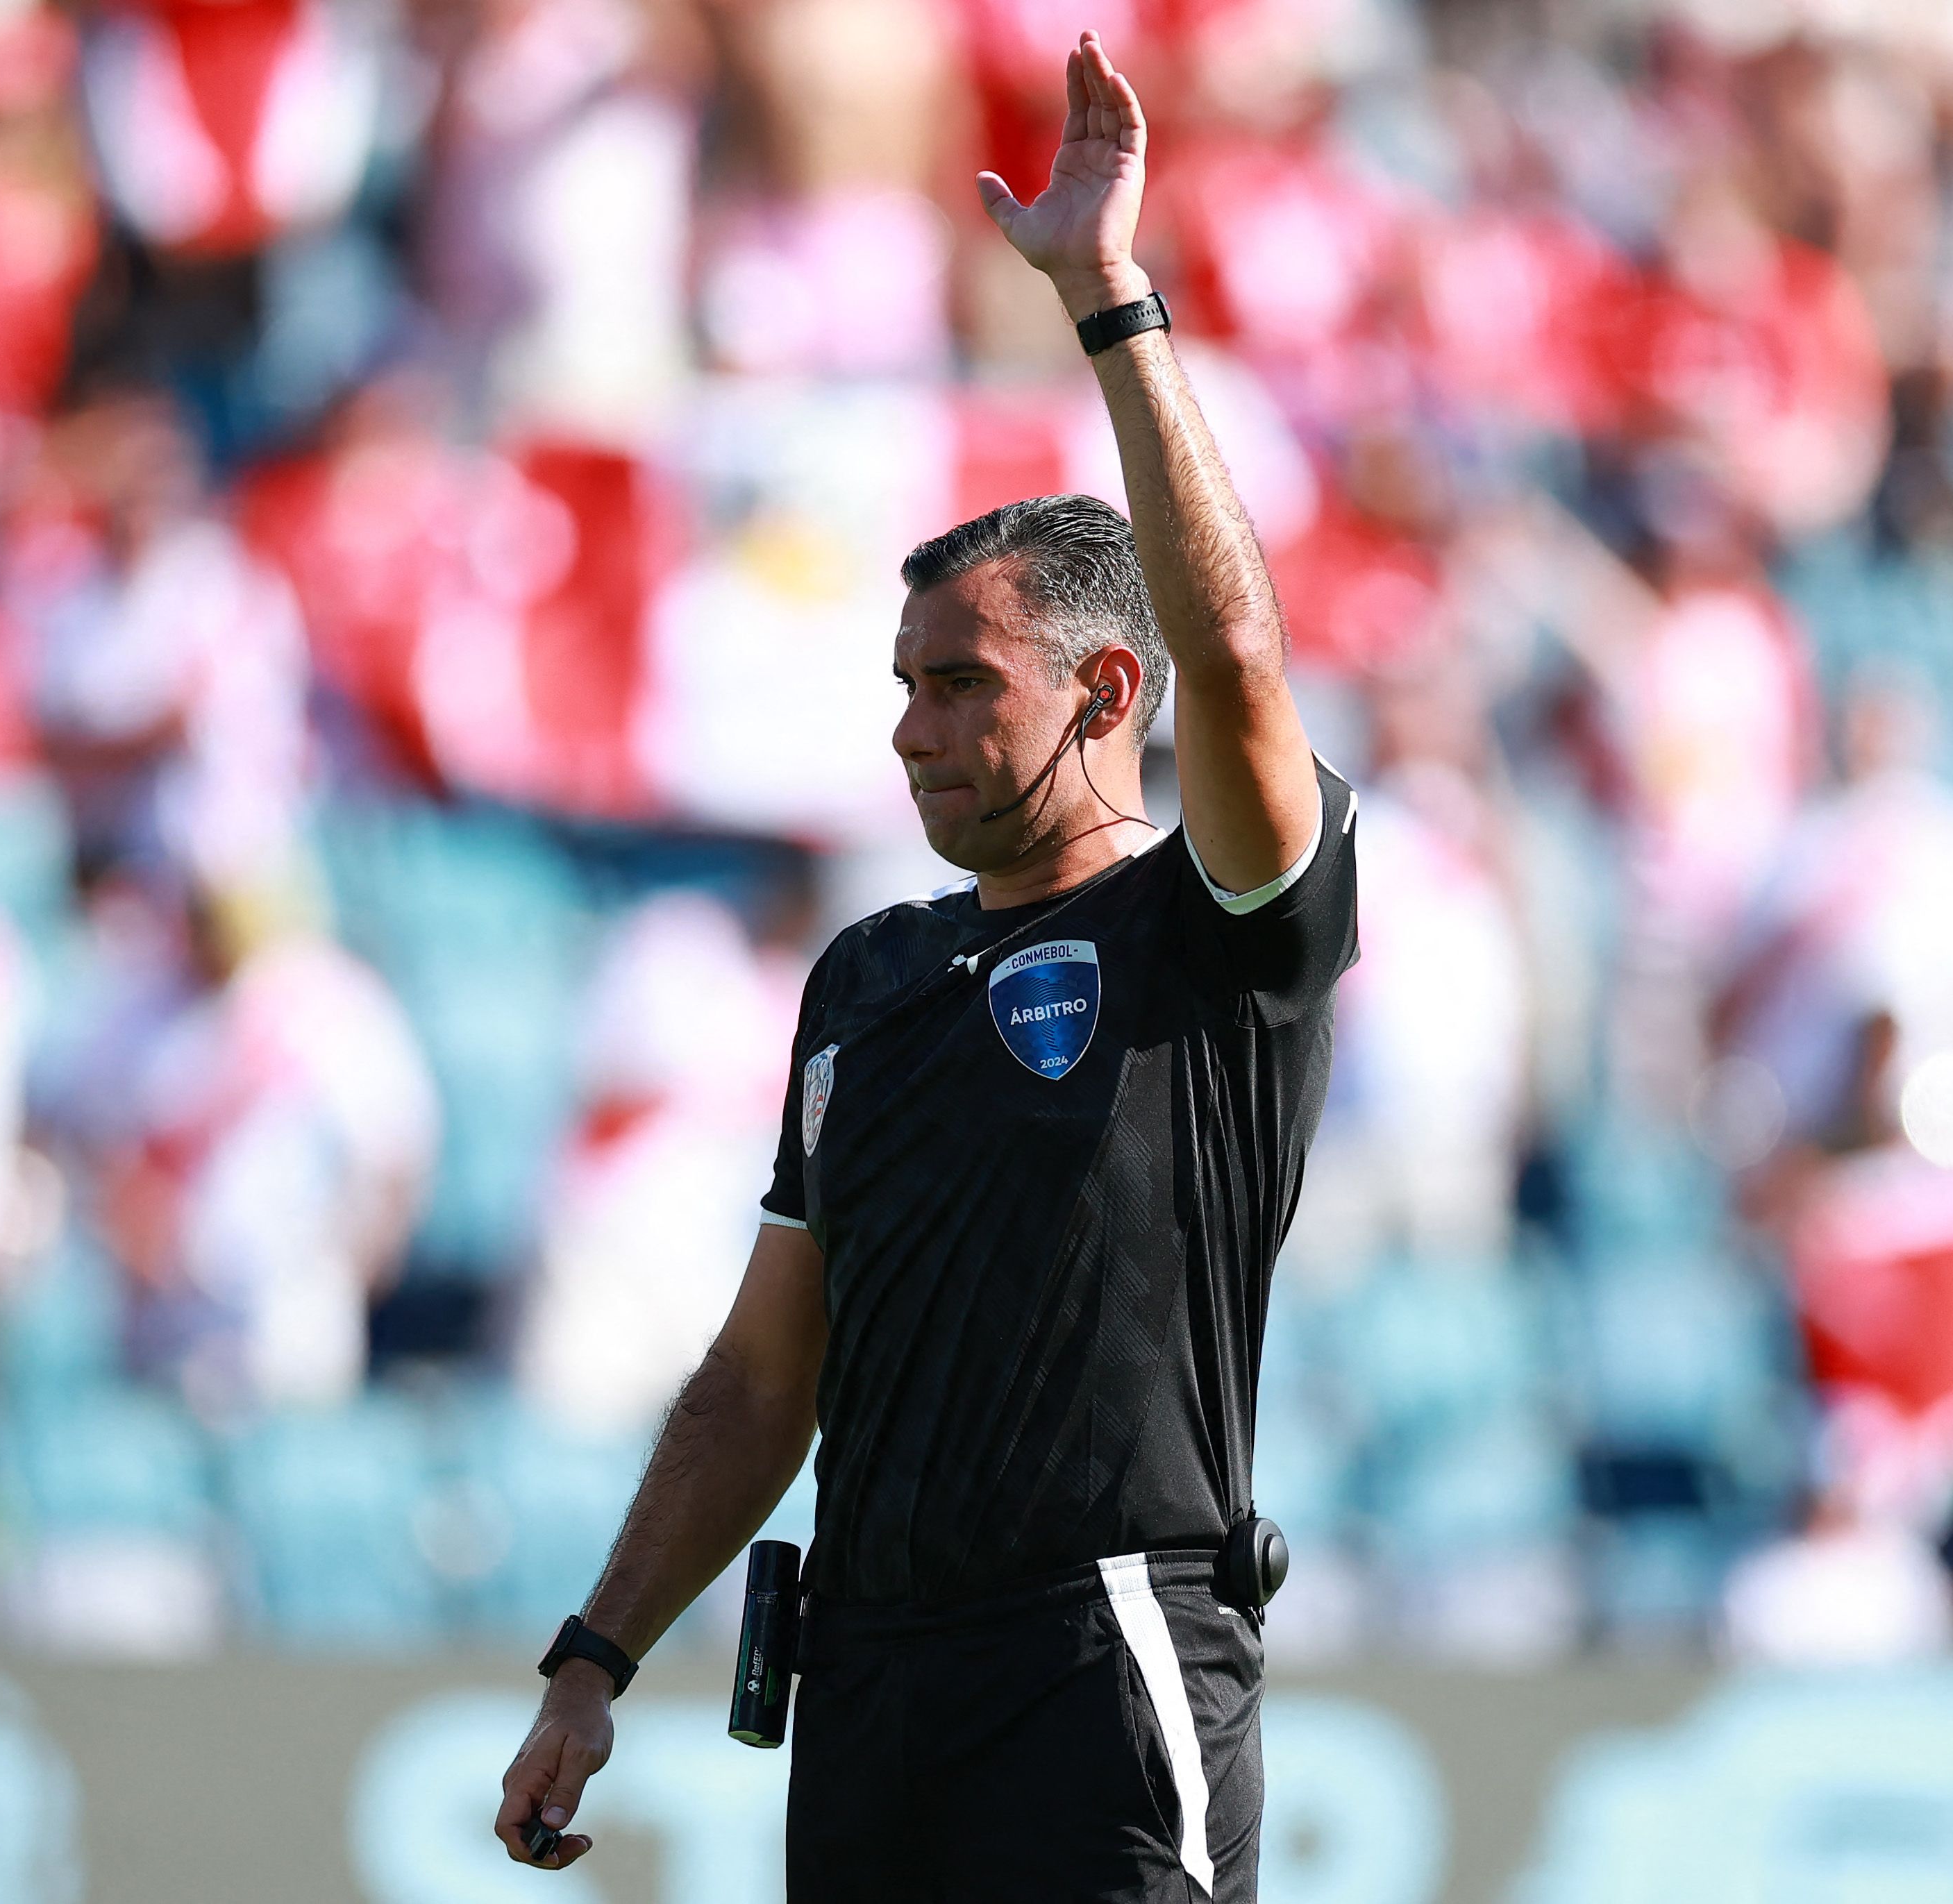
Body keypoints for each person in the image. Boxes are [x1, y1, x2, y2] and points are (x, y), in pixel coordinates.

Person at [494, 33, 1354, 1901]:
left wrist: (1105, 302)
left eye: (964, 687)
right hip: (872, 1682)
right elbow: (755, 1379)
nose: (911, 733)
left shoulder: (1209, 924)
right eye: (901, 690)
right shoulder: (865, 983)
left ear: (1104, 696)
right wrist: (593, 1655)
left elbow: (1243, 666)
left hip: (1103, 1654)